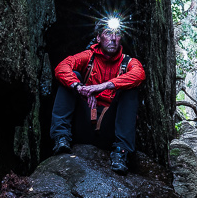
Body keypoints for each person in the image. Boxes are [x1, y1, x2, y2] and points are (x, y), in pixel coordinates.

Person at [50, 15, 145, 172]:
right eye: (108, 33)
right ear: (98, 37)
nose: (113, 38)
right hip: (84, 123)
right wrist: (79, 87)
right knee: (71, 78)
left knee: (130, 89)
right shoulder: (88, 57)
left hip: (109, 129)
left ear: (121, 38)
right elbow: (62, 67)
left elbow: (139, 75)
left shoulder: (128, 62)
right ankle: (61, 138)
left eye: (117, 34)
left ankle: (121, 152)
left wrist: (103, 86)